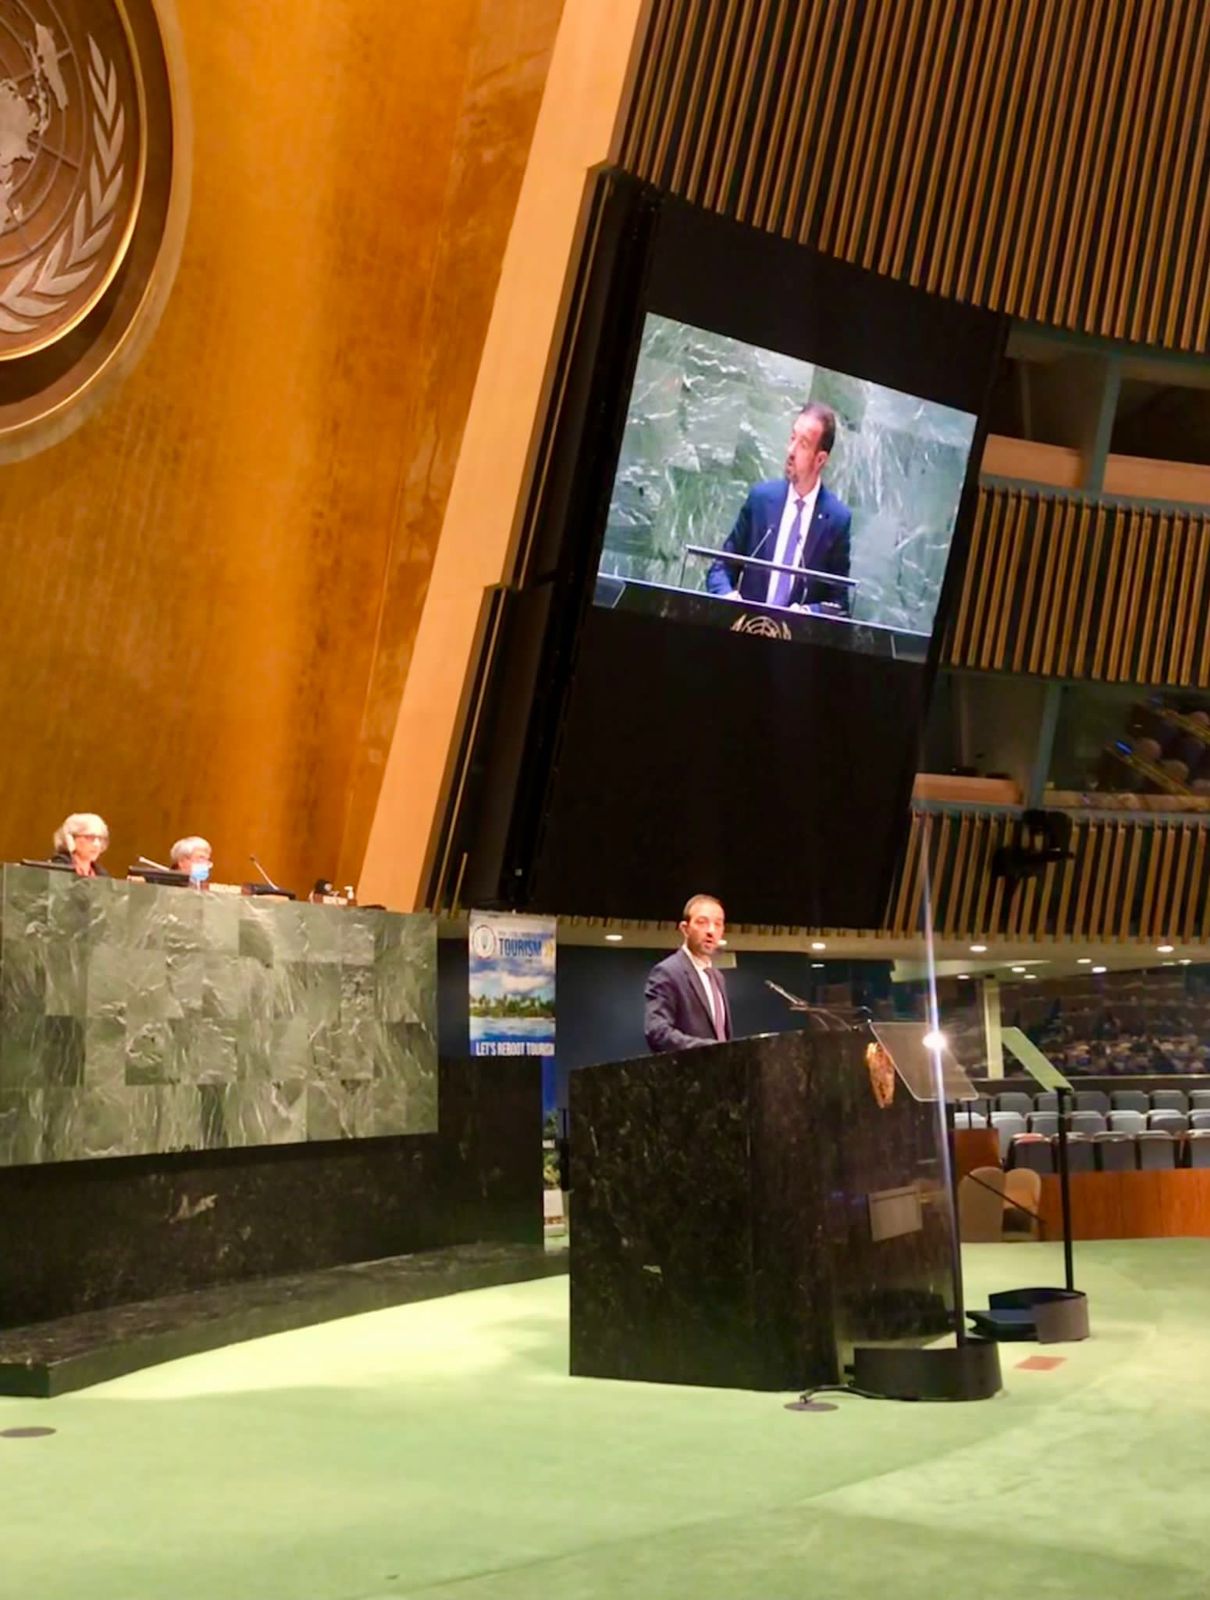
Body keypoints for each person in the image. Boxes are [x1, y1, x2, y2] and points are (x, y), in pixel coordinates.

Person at [707, 401, 852, 612]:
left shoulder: (837, 520)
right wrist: (728, 597)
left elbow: (840, 604)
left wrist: (807, 614)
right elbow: (721, 568)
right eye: (792, 438)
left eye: (803, 444)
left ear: (820, 459)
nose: (790, 450)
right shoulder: (761, 500)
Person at [644, 894, 732, 1053]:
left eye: (718, 924)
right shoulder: (667, 972)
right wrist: (710, 1050)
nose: (711, 930)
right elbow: (657, 1032)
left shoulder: (718, 977)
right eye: (702, 922)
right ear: (685, 929)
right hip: (689, 1074)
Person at [50, 813, 111, 877]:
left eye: (100, 838)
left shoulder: (101, 874)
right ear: (70, 839)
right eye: (90, 837)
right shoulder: (58, 868)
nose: (97, 844)